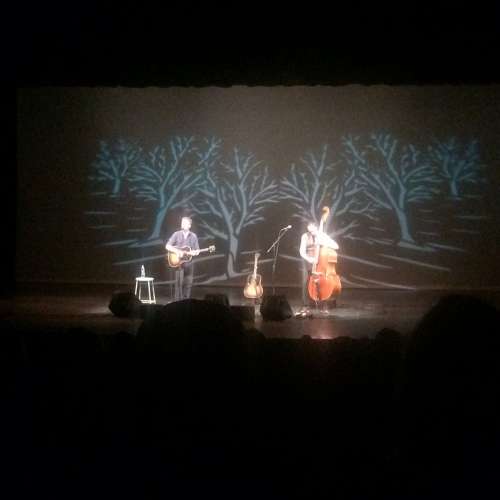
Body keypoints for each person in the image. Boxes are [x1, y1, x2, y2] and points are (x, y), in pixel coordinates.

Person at [299, 221, 339, 315]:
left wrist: (323, 242)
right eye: (310, 231)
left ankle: (323, 303)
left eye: (313, 231)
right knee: (307, 281)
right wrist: (309, 259)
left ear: (316, 229)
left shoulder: (322, 235)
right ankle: (306, 305)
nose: (311, 233)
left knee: (322, 282)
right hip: (310, 260)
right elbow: (301, 251)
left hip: (321, 262)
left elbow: (336, 246)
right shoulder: (305, 236)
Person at [165, 216, 200, 300]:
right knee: (178, 284)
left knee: (188, 283)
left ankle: (186, 301)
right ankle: (177, 302)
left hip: (189, 263)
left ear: (189, 225)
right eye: (182, 222)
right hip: (178, 264)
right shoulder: (176, 234)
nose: (182, 224)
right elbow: (167, 246)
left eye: (184, 223)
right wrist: (177, 251)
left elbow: (197, 250)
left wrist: (196, 252)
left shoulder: (193, 236)